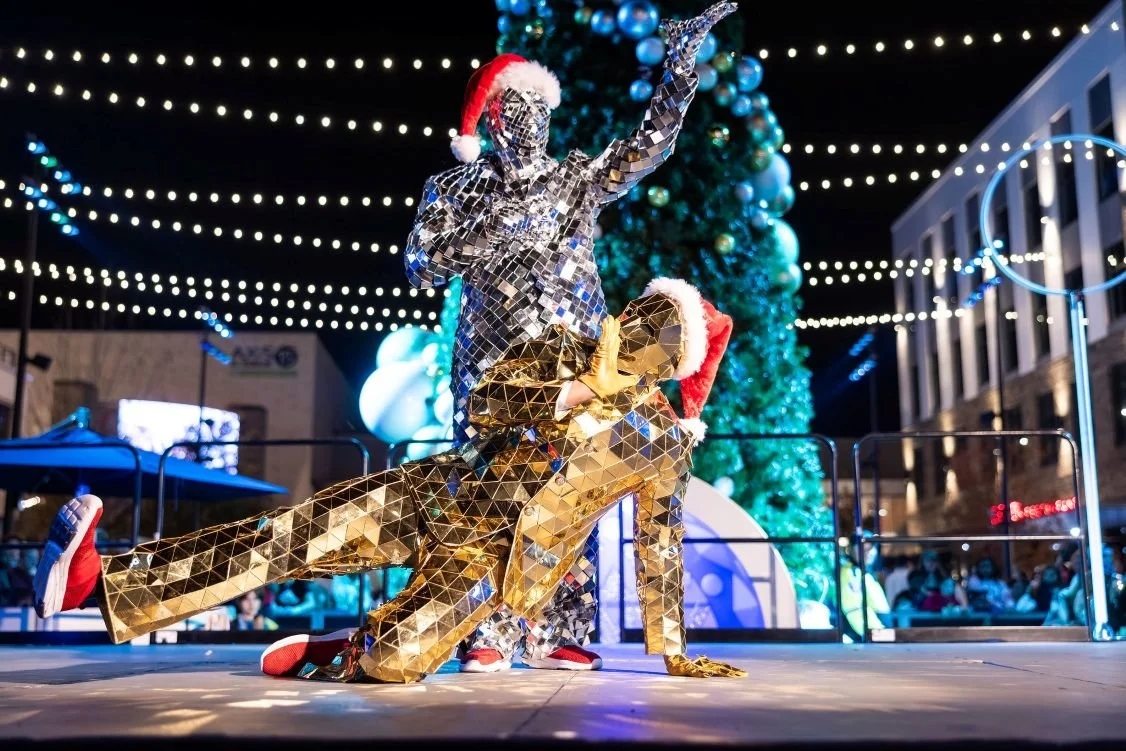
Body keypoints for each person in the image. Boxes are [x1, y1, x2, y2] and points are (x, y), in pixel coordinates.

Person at [35, 280, 745, 683]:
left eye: (658, 331)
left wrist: (674, 649)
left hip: (490, 560)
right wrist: (569, 394)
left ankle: (343, 648)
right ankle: (95, 582)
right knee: (280, 538)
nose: (634, 327)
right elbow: (482, 404)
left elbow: (661, 543)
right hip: (439, 492)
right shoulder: (562, 349)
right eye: (641, 312)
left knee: (396, 662)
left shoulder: (659, 440)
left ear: (668, 363)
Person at [404, 1, 736, 675]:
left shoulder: (574, 179)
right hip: (492, 364)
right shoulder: (454, 187)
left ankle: (553, 629)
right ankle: (488, 630)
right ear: (493, 114)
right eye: (517, 105)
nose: (530, 118)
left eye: (539, 105)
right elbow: (417, 264)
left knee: (575, 486)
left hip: (580, 364)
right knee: (491, 489)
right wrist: (482, 234)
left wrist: (678, 66)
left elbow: (651, 146)